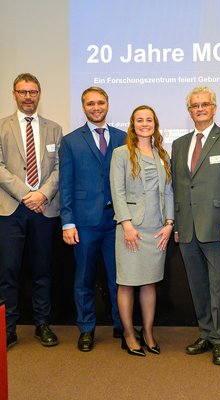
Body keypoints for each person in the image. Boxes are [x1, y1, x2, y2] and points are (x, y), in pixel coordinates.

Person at [171, 86, 220, 365]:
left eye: (205, 104)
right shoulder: (179, 145)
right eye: (194, 105)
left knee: (219, 286)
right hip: (188, 228)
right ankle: (206, 332)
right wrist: (177, 224)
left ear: (214, 108)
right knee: (198, 285)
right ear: (189, 111)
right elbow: (179, 188)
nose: (200, 109)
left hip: (218, 227)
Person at [59, 87, 125, 351]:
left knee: (118, 277)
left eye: (100, 102)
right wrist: (67, 221)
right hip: (84, 222)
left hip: (116, 220)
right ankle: (86, 328)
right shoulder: (71, 140)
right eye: (90, 104)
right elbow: (66, 183)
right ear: (83, 107)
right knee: (84, 278)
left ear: (107, 104)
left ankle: (122, 324)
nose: (95, 107)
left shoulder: (122, 137)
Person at [0, 73, 62, 349]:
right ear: (14, 94)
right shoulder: (2, 127)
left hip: (44, 209)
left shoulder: (54, 129)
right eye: (23, 92)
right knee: (8, 271)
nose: (28, 97)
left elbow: (61, 168)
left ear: (39, 94)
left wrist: (42, 194)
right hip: (11, 209)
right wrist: (27, 195)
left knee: (42, 270)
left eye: (33, 92)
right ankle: (8, 328)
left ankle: (42, 324)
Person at [110, 105, 174, 356]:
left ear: (155, 124)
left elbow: (169, 191)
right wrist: (126, 225)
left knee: (149, 283)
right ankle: (128, 334)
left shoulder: (162, 154)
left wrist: (169, 224)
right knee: (126, 283)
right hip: (131, 229)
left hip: (156, 230)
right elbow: (118, 191)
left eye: (149, 120)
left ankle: (147, 332)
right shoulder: (121, 153)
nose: (144, 123)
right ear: (132, 124)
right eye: (140, 120)